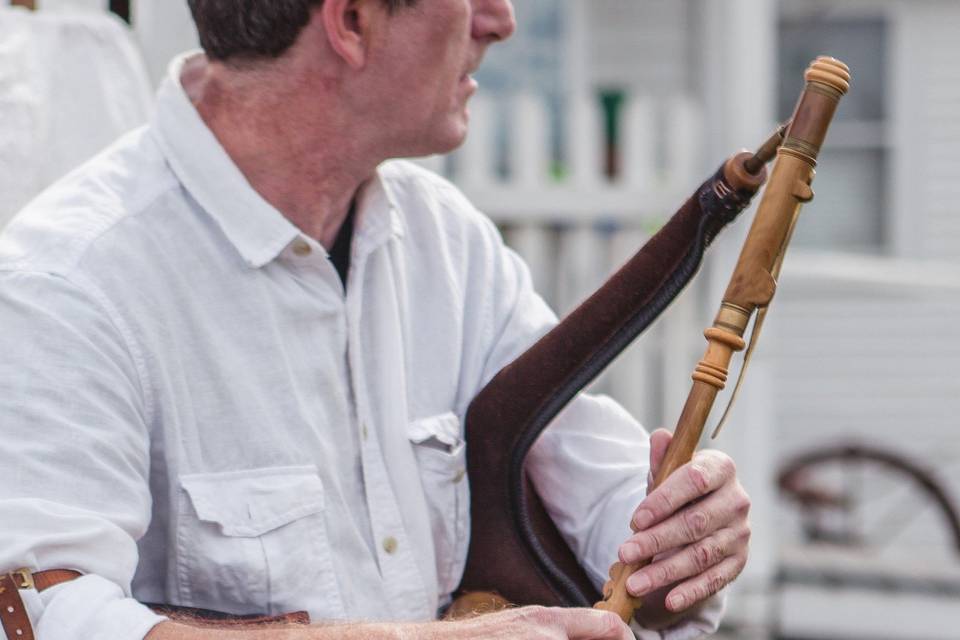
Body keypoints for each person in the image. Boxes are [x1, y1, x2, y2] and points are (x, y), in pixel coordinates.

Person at [0, 1, 751, 639]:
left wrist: (680, 533)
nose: (501, 20)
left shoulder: (448, 244)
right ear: (353, 20)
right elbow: (40, 615)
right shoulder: (67, 283)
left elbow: (597, 492)